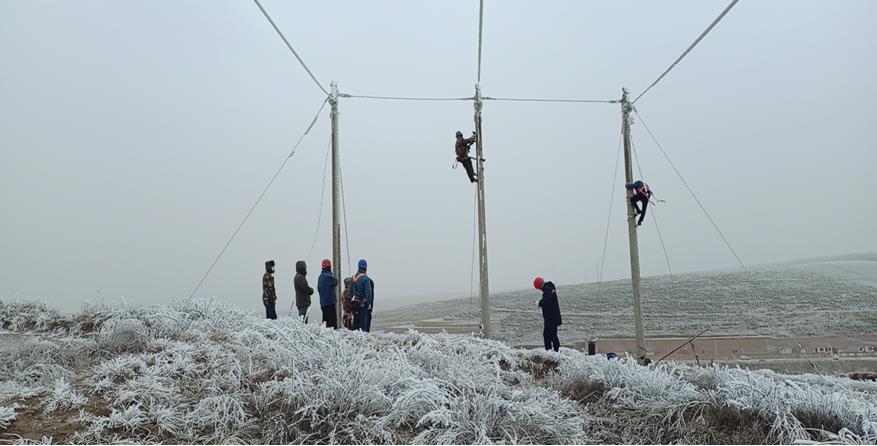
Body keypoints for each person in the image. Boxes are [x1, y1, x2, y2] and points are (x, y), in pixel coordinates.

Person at [534, 276, 562, 352]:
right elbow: (548, 300)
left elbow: (547, 302)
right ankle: (553, 351)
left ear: (540, 285)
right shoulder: (549, 288)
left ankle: (553, 352)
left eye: (538, 287)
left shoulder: (547, 289)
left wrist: (539, 303)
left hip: (551, 318)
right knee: (551, 335)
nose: (539, 289)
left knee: (549, 335)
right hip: (552, 318)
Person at [351, 259, 374, 332]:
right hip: (362, 304)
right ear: (366, 268)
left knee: (355, 324)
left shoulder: (353, 277)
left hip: (354, 304)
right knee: (362, 325)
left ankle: (353, 337)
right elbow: (369, 293)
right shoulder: (366, 279)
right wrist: (369, 303)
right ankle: (362, 337)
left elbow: (350, 291)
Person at [317, 258, 339, 329]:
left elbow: (319, 289)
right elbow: (336, 282)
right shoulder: (328, 277)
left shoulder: (320, 277)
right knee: (332, 324)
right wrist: (330, 275)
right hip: (330, 303)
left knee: (325, 323)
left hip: (323, 303)